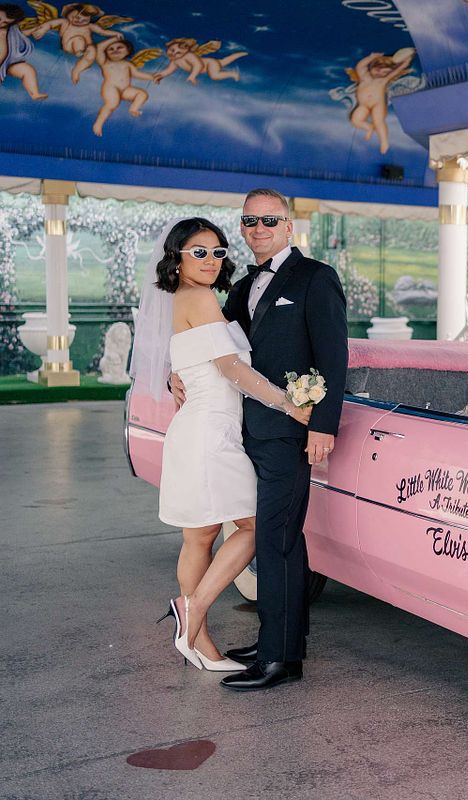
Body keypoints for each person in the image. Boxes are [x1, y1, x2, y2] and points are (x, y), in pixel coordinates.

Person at [173, 188, 348, 692]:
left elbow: (334, 355)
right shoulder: (241, 286)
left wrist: (323, 425)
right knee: (276, 537)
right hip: (243, 430)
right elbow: (213, 348)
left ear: (289, 226)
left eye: (270, 220)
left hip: (290, 432)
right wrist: (174, 373)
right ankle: (282, 638)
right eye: (250, 221)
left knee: (275, 538)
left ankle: (280, 658)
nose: (259, 229)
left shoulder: (316, 277)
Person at [131, 217, 311, 673]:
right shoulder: (198, 297)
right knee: (252, 526)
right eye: (199, 252)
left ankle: (199, 642)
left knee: (200, 536)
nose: (211, 260)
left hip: (201, 428)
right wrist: (288, 403)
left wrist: (175, 373)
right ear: (176, 258)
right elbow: (231, 368)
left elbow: (194, 358)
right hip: (210, 432)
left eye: (217, 252)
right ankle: (191, 610)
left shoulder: (188, 298)